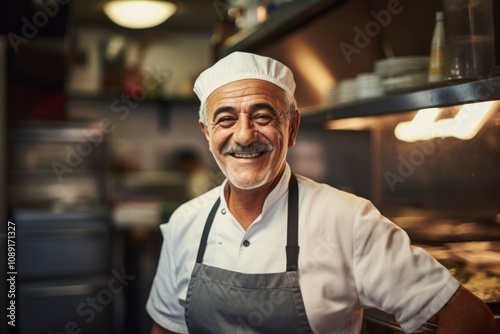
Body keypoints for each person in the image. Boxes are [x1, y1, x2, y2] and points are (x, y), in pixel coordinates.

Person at [146, 52, 495, 333]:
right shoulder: (185, 222)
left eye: (263, 116)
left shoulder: (349, 220)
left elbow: (471, 318)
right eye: (225, 120)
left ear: (293, 127)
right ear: (206, 133)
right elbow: (166, 328)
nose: (244, 135)